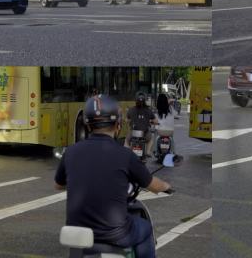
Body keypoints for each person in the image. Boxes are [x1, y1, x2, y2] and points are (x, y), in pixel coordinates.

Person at [55, 94, 171, 258]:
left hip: (76, 233)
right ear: (118, 124)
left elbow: (58, 184)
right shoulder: (125, 155)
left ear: (87, 125)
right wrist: (167, 187)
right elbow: (153, 185)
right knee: (144, 228)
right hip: (115, 235)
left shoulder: (71, 151)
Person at [125, 92, 158, 158]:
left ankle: (128, 153)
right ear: (145, 101)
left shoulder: (131, 110)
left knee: (126, 141)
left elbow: (126, 120)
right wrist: (151, 121)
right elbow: (155, 121)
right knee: (151, 139)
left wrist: (130, 120)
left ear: (136, 100)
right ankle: (148, 151)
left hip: (133, 133)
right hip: (145, 133)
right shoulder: (148, 110)